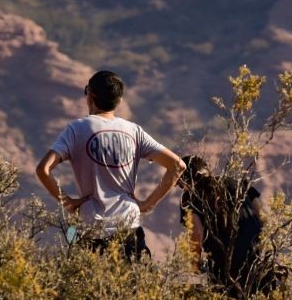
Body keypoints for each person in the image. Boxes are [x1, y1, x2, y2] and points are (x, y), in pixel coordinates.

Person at [35, 70, 186, 260]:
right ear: (119, 101)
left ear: (90, 96)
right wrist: (148, 204)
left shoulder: (77, 129)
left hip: (92, 227)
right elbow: (178, 165)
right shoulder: (134, 131)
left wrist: (67, 201)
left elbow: (43, 169)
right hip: (129, 226)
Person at [177, 155, 271, 296]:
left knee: (177, 281)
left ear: (186, 180)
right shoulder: (241, 184)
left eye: (179, 184)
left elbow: (196, 234)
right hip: (259, 263)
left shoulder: (190, 198)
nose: (180, 187)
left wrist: (194, 270)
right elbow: (264, 216)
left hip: (226, 270)